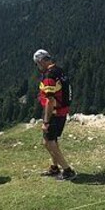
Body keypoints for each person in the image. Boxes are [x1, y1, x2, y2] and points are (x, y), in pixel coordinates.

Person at [34, 49, 76, 180]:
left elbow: (50, 100)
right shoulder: (59, 71)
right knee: (53, 140)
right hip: (62, 111)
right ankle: (54, 167)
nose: (37, 67)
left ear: (41, 61)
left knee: (48, 142)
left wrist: (46, 121)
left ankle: (67, 170)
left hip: (54, 113)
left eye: (37, 64)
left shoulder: (49, 76)